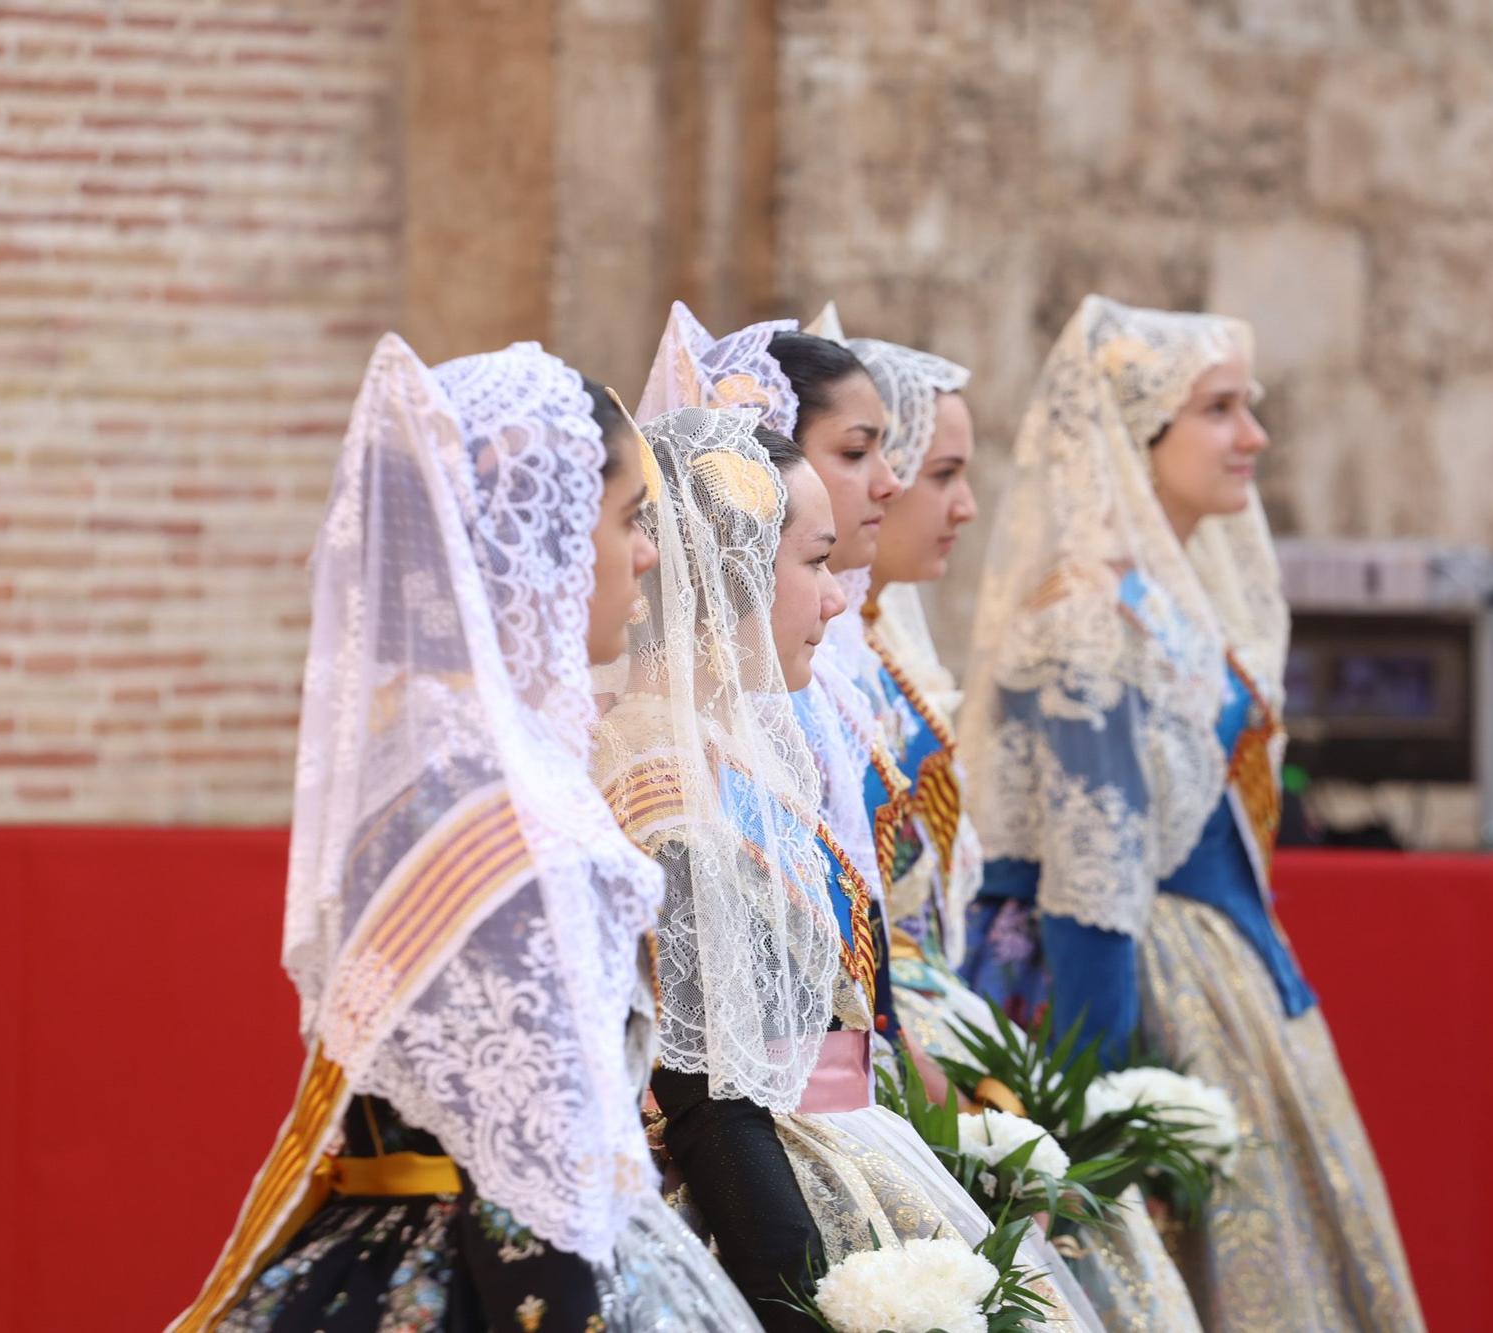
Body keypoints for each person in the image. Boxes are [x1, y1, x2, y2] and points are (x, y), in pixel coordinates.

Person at [171, 337, 762, 1333]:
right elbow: (529, 1176)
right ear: (538, 539)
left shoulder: (439, 763)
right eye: (627, 520)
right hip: (495, 1280)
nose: (646, 554)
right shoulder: (498, 805)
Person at [606, 305, 1103, 1333]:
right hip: (759, 1204)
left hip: (838, 1149)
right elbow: (709, 1098)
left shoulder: (732, 759)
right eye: (814, 567)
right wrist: (797, 1303)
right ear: (734, 575)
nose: (838, 604)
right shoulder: (669, 789)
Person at [958, 295, 1425, 1333]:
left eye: (1245, 406)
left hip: (1224, 974)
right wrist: (1102, 1118)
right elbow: (1090, 889)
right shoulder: (1083, 623)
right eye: (1217, 410)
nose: (1250, 436)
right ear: (1137, 433)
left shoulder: (1162, 592)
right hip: (1136, 987)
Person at [838, 314, 1203, 1332]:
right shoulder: (829, 674)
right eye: (936, 471)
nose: (960, 505)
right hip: (882, 1038)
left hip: (933, 1009)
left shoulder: (882, 653)